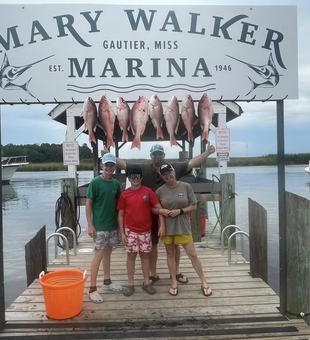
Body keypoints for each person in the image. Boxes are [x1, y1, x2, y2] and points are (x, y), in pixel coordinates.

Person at [102, 142, 215, 284]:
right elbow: (125, 165)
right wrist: (109, 155)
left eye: (160, 154)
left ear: (164, 155)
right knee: (153, 244)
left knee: (175, 245)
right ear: (151, 156)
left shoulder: (172, 167)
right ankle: (153, 273)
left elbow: (191, 163)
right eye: (155, 154)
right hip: (151, 213)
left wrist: (208, 153)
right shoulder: (144, 168)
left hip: (172, 214)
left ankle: (176, 271)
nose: (157, 156)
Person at [155, 163, 212, 297]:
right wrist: (161, 212)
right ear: (161, 176)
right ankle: (174, 281)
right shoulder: (160, 191)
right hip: (167, 229)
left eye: (169, 172)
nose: (167, 176)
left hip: (183, 227)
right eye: (164, 174)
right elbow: (154, 209)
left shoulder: (186, 187)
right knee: (170, 254)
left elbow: (194, 206)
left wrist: (179, 211)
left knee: (193, 255)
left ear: (174, 172)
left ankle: (204, 282)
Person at [117, 165, 165, 297]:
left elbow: (158, 207)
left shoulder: (148, 192)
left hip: (145, 231)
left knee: (145, 256)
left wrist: (162, 225)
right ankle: (130, 283)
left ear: (142, 177)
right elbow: (120, 215)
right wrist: (122, 233)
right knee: (131, 256)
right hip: (130, 231)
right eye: (133, 176)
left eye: (138, 176)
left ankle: (146, 282)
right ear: (129, 178)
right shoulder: (124, 194)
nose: (135, 178)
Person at [86, 153, 123, 303]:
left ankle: (107, 282)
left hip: (112, 225)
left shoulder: (115, 184)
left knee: (108, 253)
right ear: (102, 166)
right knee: (98, 254)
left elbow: (119, 206)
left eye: (111, 165)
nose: (109, 167)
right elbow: (88, 203)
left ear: (115, 167)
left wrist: (121, 227)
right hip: (99, 226)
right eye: (106, 165)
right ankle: (92, 288)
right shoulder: (95, 182)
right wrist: (90, 224)